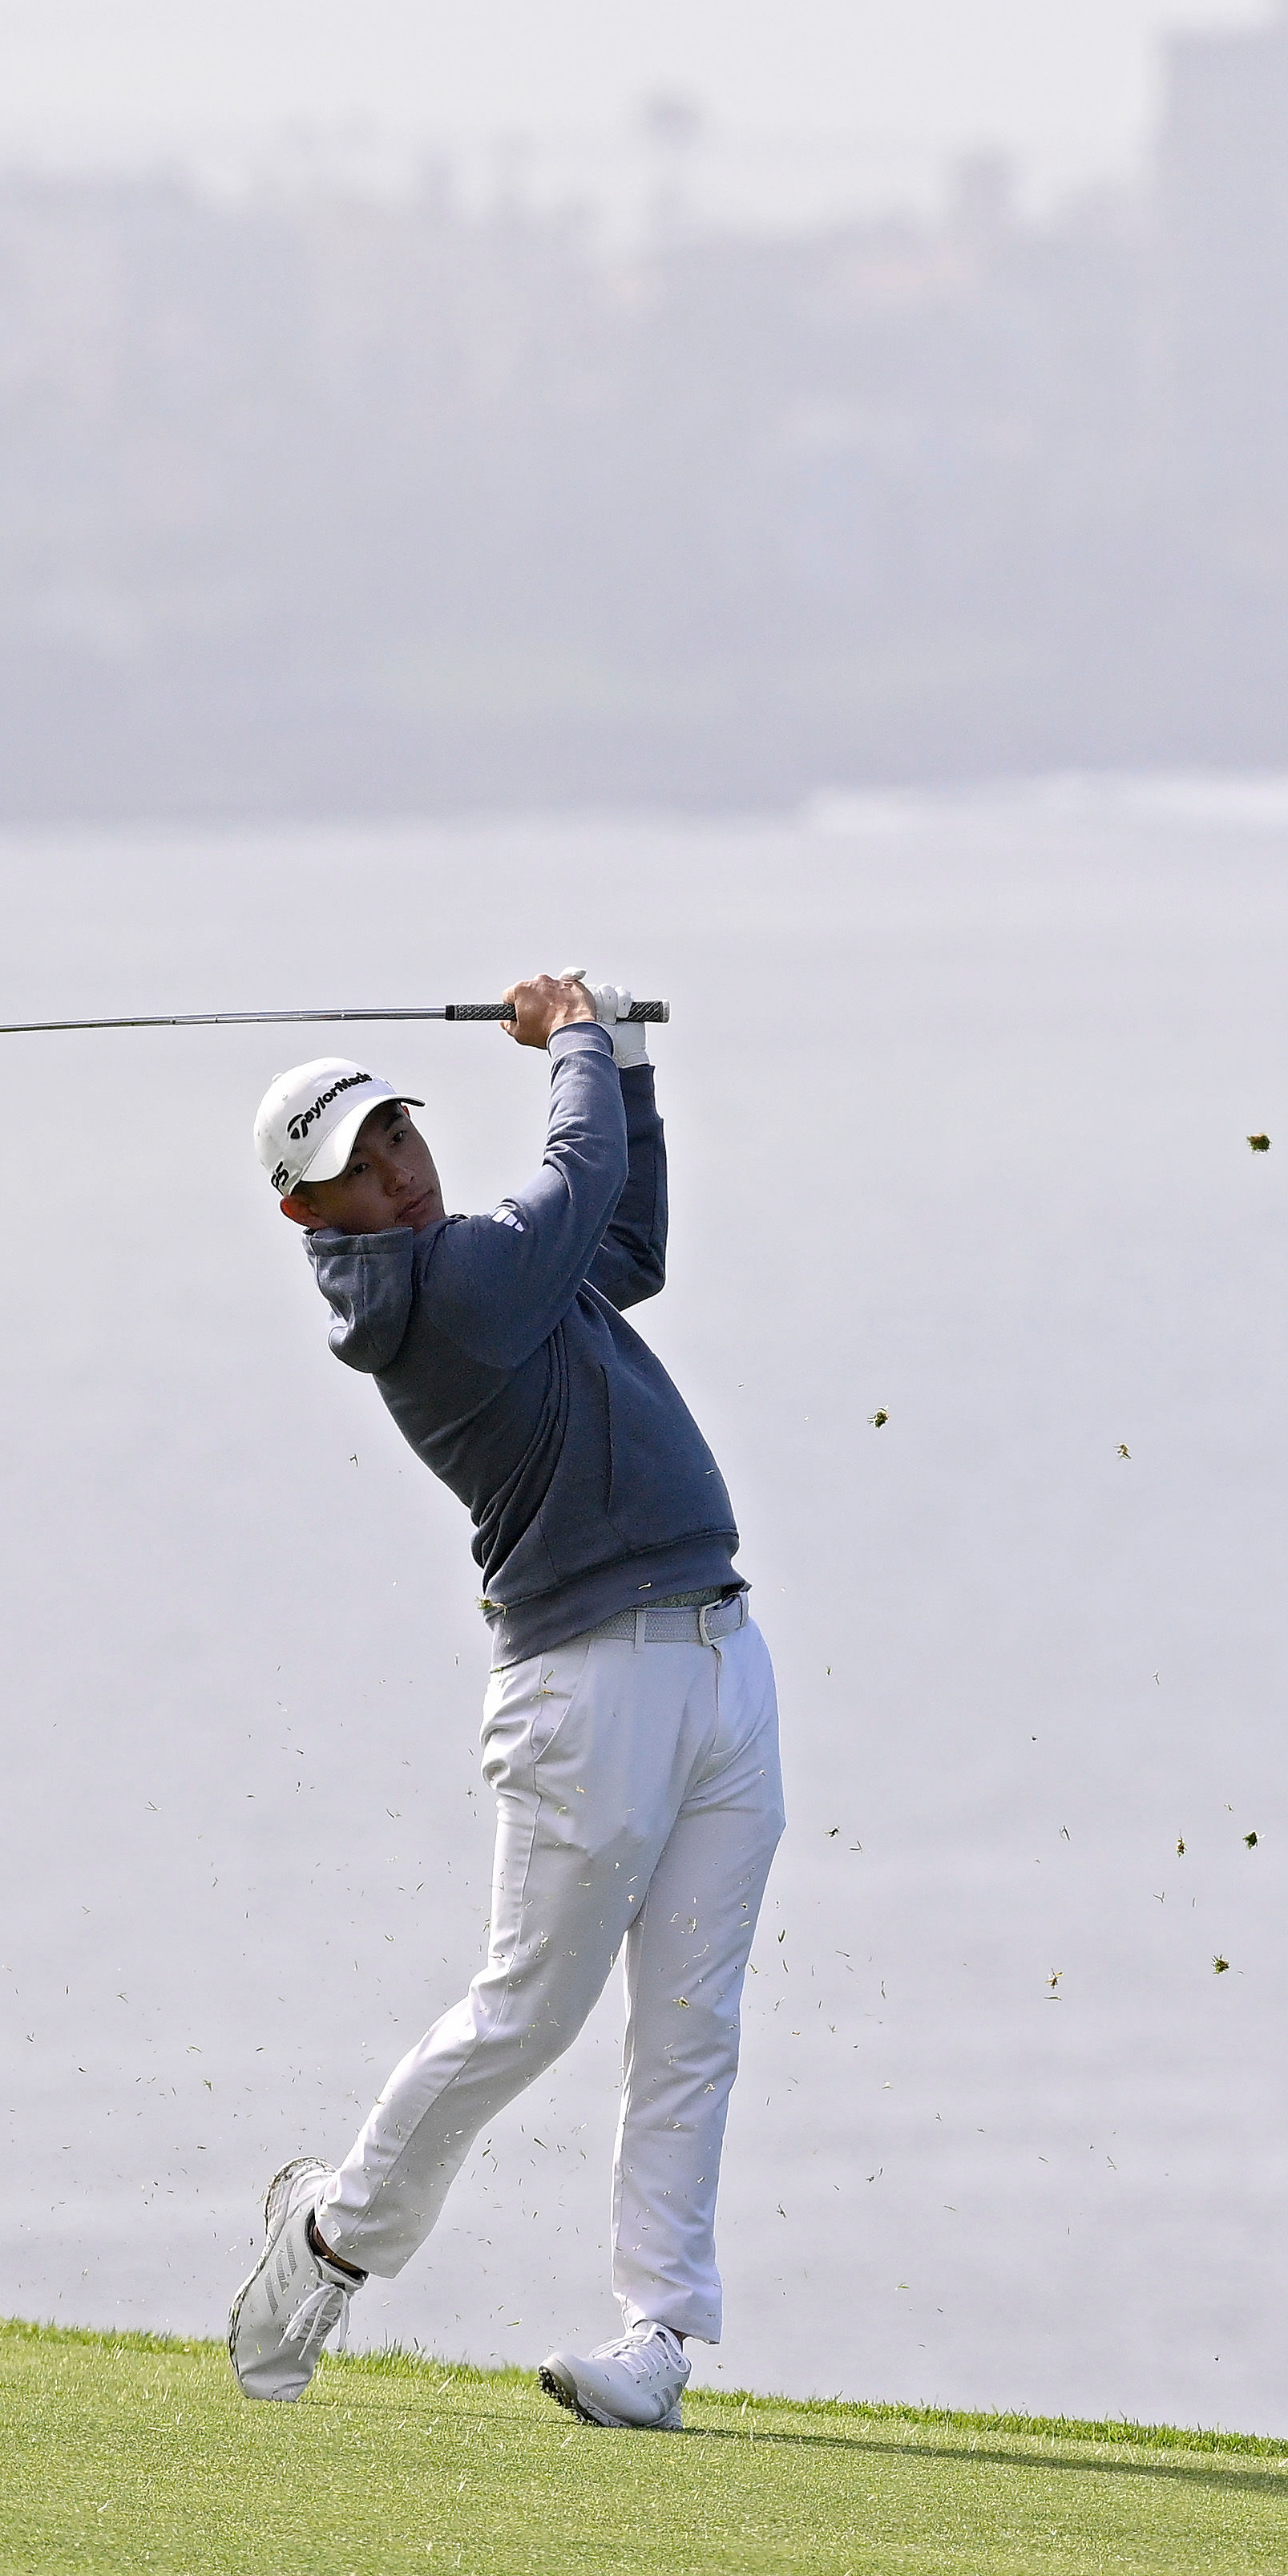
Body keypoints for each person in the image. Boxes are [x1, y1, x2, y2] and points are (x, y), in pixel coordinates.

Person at [220, 967, 780, 2430]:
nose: (397, 1172)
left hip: (720, 1654)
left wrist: (634, 1057)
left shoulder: (497, 1268)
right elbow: (577, 1171)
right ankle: (337, 2234)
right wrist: (579, 1038)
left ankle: (657, 2334)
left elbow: (626, 1233)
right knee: (530, 2009)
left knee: (692, 2020)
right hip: (586, 1685)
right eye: (357, 1167)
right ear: (309, 1215)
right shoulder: (436, 1295)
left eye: (396, 1134)